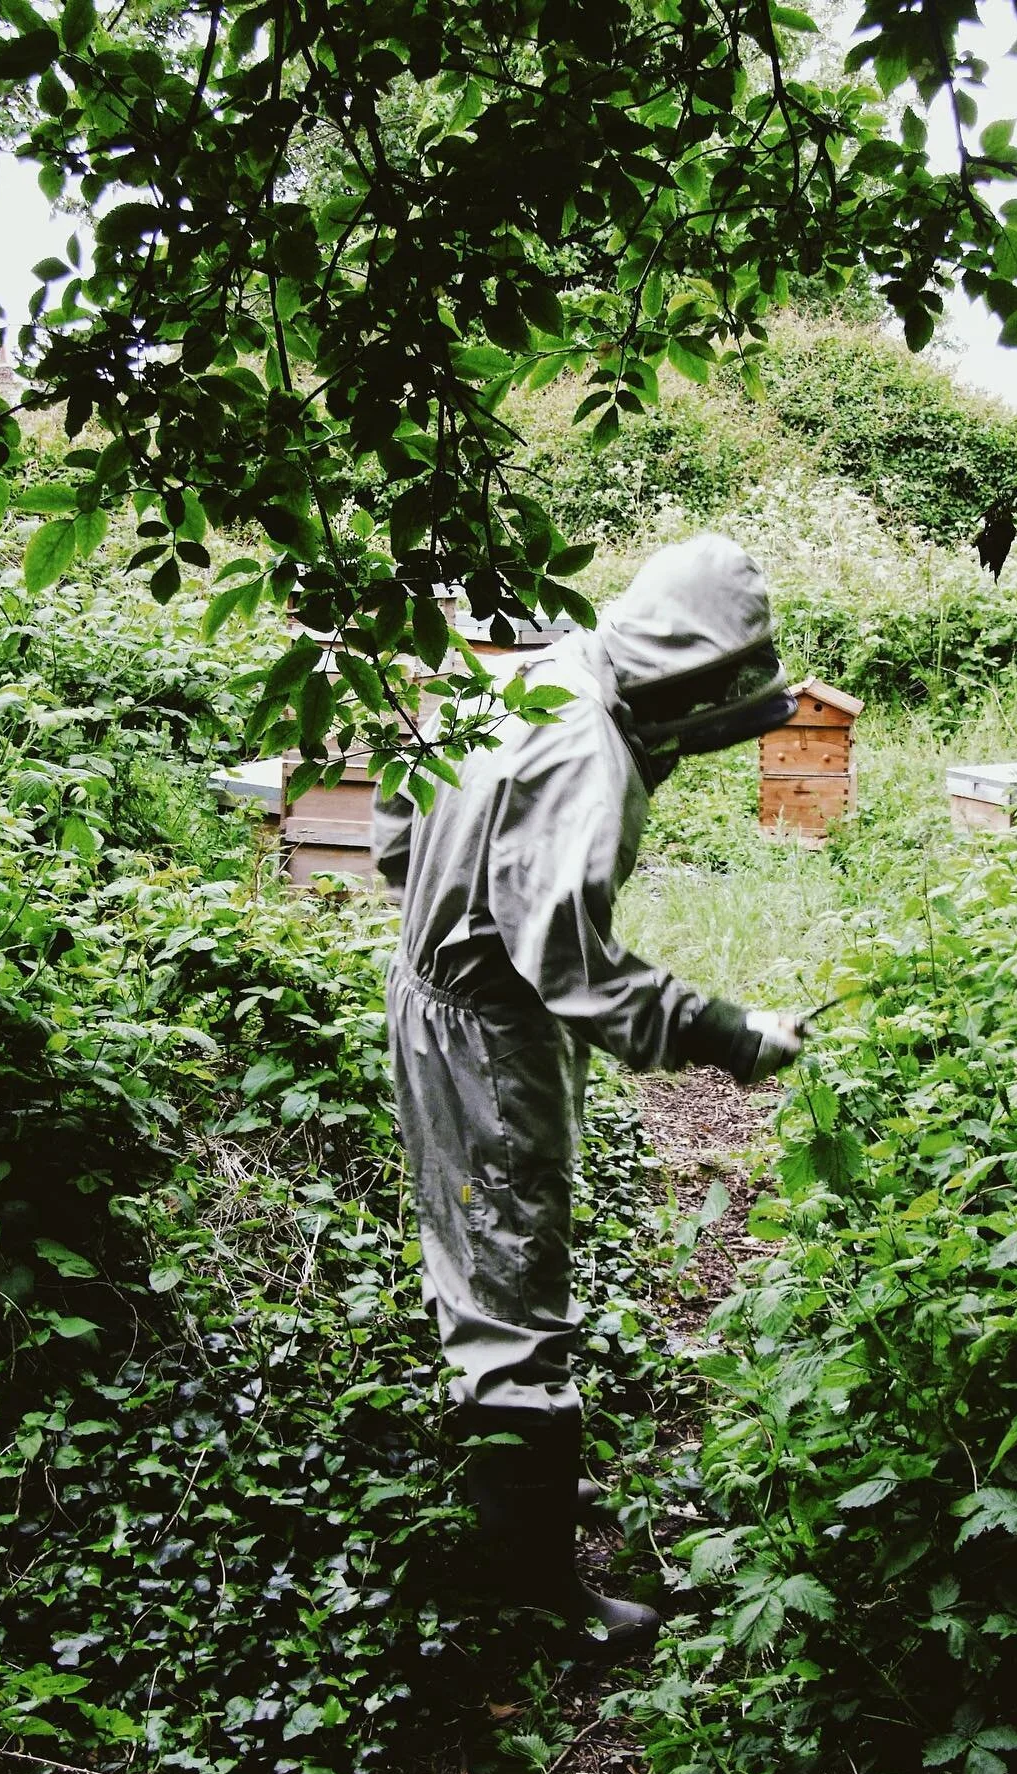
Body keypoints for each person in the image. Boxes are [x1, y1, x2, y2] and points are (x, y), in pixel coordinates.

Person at [373, 533, 806, 1655]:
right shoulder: (588, 753)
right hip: (492, 1035)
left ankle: (499, 1517)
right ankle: (524, 1604)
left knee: (473, 1258)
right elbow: (567, 970)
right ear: (696, 663)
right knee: (514, 1290)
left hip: (430, 991)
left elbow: (390, 835)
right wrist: (730, 1034)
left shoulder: (529, 669)